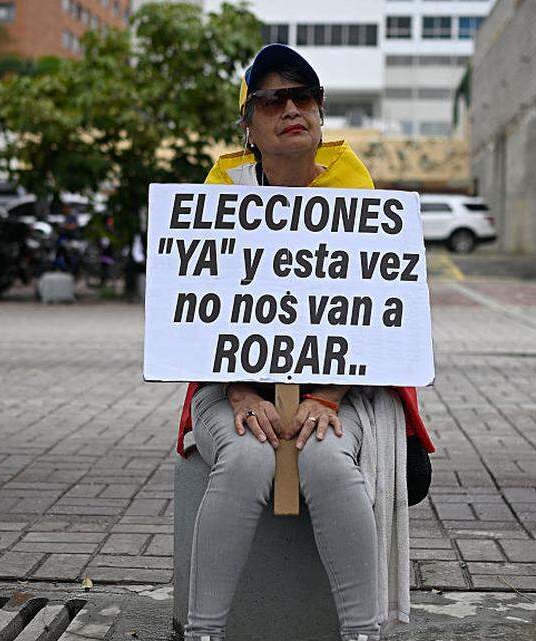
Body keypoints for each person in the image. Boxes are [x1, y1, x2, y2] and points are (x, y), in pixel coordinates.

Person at [178, 44, 434, 641]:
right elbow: (196, 309)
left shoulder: (359, 193)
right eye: (272, 99)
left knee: (325, 454)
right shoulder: (221, 189)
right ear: (249, 125)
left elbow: (370, 313)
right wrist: (241, 391)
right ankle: (202, 633)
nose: (291, 108)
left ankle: (363, 633)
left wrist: (326, 395)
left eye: (304, 97)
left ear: (320, 115)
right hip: (233, 383)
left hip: (344, 387)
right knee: (244, 457)